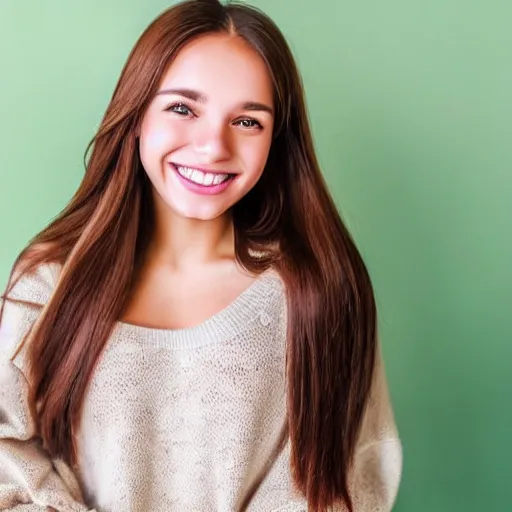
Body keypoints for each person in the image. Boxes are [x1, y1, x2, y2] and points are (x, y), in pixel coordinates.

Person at [0, 0, 402, 510]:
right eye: (183, 108)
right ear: (137, 114)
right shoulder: (48, 282)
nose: (213, 146)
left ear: (276, 140)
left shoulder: (316, 291)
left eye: (248, 121)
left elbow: (342, 482)